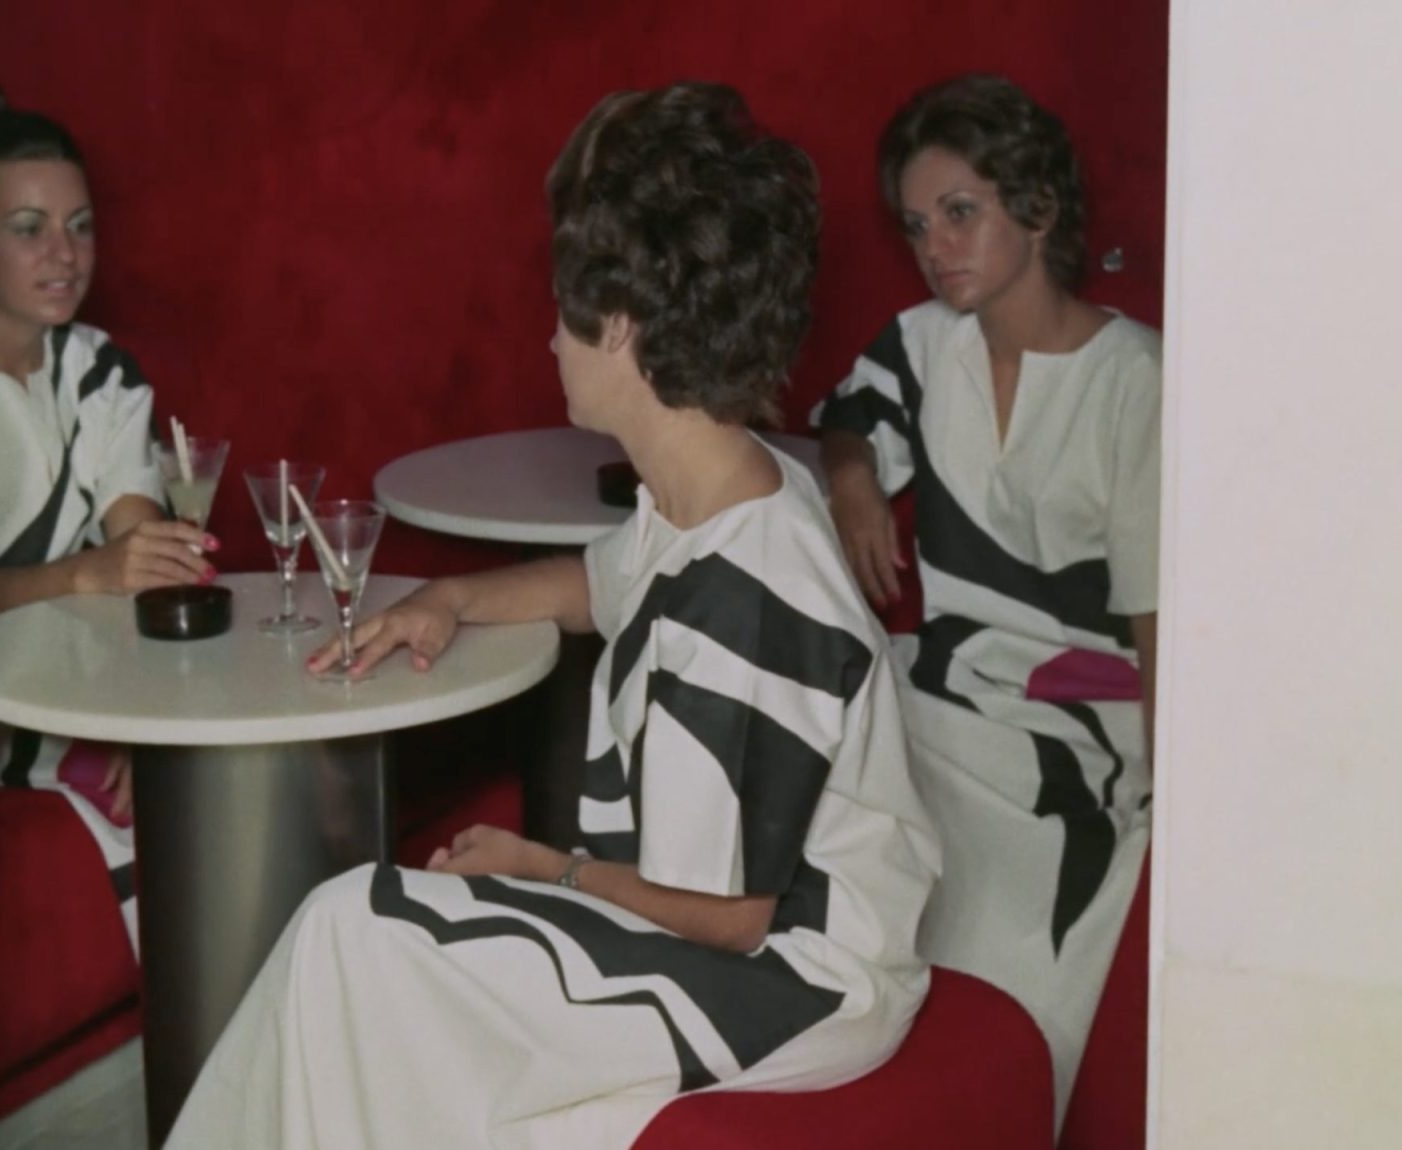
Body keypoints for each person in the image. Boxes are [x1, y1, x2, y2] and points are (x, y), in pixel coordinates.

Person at [166, 82, 940, 1150]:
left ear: (621, 326)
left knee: (353, 933)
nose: (548, 341)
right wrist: (450, 598)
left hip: (794, 981)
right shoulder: (717, 483)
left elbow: (731, 918)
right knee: (354, 947)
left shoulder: (752, 592)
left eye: (563, 312)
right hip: (736, 935)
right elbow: (599, 583)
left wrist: (542, 867)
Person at [814, 73, 1161, 1116]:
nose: (936, 246)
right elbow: (848, 417)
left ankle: (979, 1105)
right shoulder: (925, 344)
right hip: (941, 687)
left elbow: (1158, 624)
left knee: (990, 915)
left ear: (1039, 206)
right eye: (918, 224)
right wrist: (852, 479)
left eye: (960, 212)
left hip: (1082, 722)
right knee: (828, 750)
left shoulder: (1135, 381)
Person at [0, 83, 214, 949]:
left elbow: (142, 557)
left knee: (236, 796)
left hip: (85, 699)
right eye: (29, 228)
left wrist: (133, 717)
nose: (65, 254)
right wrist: (84, 575)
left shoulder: (102, 373)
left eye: (81, 225)